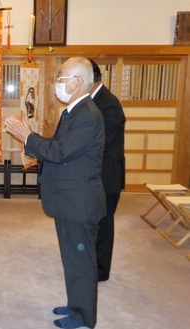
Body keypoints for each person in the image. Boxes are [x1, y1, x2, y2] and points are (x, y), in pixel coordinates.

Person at [5, 57, 106, 329]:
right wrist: (30, 138)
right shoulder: (73, 111)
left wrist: (28, 136)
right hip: (69, 199)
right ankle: (76, 305)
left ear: (79, 82)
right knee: (72, 258)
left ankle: (85, 316)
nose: (58, 83)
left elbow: (61, 153)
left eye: (63, 77)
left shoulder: (87, 115)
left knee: (81, 261)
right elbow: (59, 146)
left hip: (79, 201)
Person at [88, 58, 126, 282]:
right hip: (97, 173)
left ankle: (101, 270)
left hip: (107, 174)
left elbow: (106, 141)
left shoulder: (108, 103)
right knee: (95, 220)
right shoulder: (94, 100)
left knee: (104, 223)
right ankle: (92, 262)